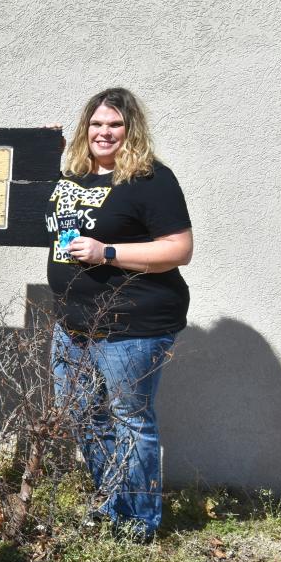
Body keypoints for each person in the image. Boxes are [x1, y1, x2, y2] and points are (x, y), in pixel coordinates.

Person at [46, 87, 193, 539]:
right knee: (83, 415)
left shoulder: (150, 179)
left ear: (131, 130)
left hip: (132, 326)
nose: (104, 132)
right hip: (73, 324)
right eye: (96, 123)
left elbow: (179, 249)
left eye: (114, 124)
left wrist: (107, 251)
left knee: (131, 420)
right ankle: (112, 504)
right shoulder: (72, 176)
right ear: (84, 128)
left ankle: (139, 523)